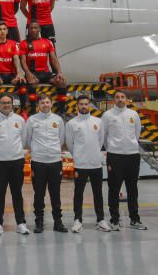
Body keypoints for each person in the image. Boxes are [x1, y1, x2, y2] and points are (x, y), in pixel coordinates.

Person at [0, 94, 29, 236]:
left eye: (8, 102)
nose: (6, 105)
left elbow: (23, 140)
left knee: (17, 193)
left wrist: (15, 153)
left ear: (12, 104)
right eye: (3, 102)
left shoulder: (19, 120)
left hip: (16, 161)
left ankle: (21, 223)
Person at [103, 90, 146, 231]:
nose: (120, 99)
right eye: (117, 97)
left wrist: (131, 145)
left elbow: (137, 133)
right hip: (115, 156)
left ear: (126, 99)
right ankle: (114, 220)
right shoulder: (107, 115)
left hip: (133, 155)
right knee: (114, 189)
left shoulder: (133, 114)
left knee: (132, 189)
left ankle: (135, 219)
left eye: (122, 97)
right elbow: (104, 136)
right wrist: (112, 149)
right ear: (113, 100)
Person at [66, 96, 110, 233]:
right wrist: (78, 156)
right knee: (78, 193)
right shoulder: (72, 124)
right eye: (81, 104)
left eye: (86, 104)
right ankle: (78, 220)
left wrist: (95, 155)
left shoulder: (98, 121)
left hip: (96, 163)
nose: (84, 106)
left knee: (98, 193)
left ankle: (101, 220)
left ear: (89, 105)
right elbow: (70, 144)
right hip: (81, 164)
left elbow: (101, 140)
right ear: (77, 106)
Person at [24, 95, 67, 233]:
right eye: (42, 102)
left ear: (52, 103)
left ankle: (58, 221)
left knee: (55, 192)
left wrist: (53, 150)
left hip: (55, 161)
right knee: (39, 193)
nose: (45, 104)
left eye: (48, 102)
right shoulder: (32, 120)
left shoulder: (58, 120)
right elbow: (27, 139)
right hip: (38, 161)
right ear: (38, 105)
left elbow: (60, 139)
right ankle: (39, 221)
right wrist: (37, 151)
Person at [23, 21, 68, 109]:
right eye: (31, 28)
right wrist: (28, 73)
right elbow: (22, 61)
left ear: (39, 29)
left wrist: (59, 72)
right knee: (32, 83)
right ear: (28, 30)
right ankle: (32, 110)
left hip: (46, 73)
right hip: (33, 73)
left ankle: (61, 111)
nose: (33, 30)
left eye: (35, 28)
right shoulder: (24, 43)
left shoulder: (47, 42)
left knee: (61, 82)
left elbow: (54, 59)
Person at [0, 23, 27, 114]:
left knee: (22, 82)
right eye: (0, 29)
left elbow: (16, 59)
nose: (2, 31)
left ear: (7, 31)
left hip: (11, 75)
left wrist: (19, 73)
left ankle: (23, 110)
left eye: (4, 29)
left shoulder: (13, 44)